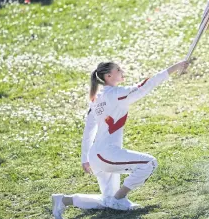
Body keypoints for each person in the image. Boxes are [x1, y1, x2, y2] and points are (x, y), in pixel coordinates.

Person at [52, 60, 189, 218]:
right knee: (149, 163)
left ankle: (63, 200)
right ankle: (120, 197)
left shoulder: (97, 98)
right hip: (107, 155)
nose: (122, 70)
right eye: (118, 69)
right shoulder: (117, 94)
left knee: (107, 200)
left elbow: (89, 129)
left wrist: (85, 158)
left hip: (96, 155)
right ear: (109, 76)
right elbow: (146, 85)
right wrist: (175, 67)